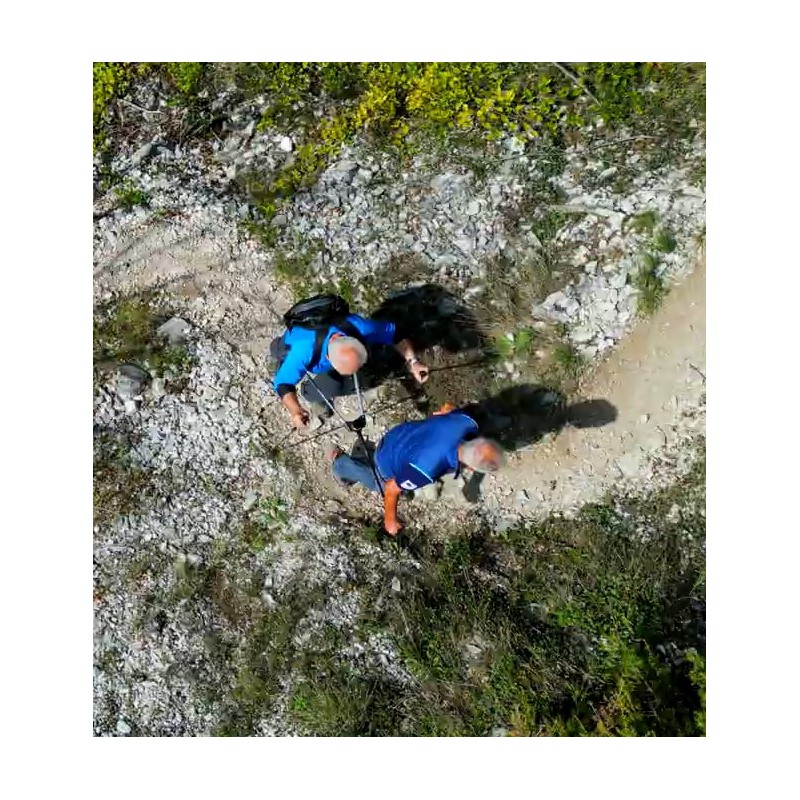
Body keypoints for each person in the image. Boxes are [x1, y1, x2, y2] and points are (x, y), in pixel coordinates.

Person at [329, 403, 505, 535]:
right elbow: (391, 488)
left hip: (402, 435)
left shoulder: (468, 422)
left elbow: (448, 407)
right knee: (379, 483)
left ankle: (364, 453)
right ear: (471, 466)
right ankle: (340, 464)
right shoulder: (427, 470)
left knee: (399, 469)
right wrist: (390, 520)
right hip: (387, 459)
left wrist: (441, 417)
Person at [270, 296, 429, 428]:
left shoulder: (361, 327)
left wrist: (413, 362)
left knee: (328, 387)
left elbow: (397, 334)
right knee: (278, 352)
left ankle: (312, 393)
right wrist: (295, 410)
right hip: (293, 342)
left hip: (318, 349)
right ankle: (288, 367)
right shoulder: (304, 350)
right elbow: (283, 384)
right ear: (328, 359)